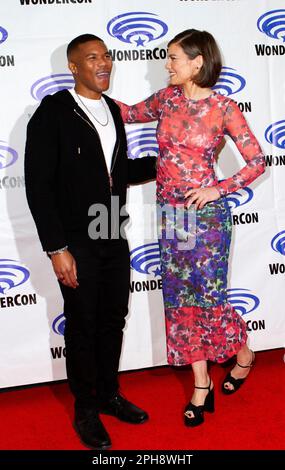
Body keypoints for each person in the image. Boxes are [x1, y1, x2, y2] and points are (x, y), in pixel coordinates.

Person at [116, 29, 265, 427]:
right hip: (172, 218)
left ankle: (244, 354)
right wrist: (83, 98)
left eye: (174, 58)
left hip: (207, 222)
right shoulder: (166, 100)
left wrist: (218, 189)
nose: (167, 65)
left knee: (210, 301)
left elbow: (257, 161)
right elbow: (128, 113)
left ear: (197, 62)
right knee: (180, 304)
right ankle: (202, 384)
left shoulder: (223, 108)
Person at [24, 34, 156, 449]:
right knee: (82, 324)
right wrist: (56, 247)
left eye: (107, 56)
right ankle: (85, 409)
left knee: (113, 318)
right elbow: (39, 186)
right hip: (76, 240)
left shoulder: (112, 112)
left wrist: (170, 161)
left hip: (112, 231)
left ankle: (108, 394)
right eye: (93, 58)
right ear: (74, 67)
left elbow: (117, 172)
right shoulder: (53, 113)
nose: (105, 63)